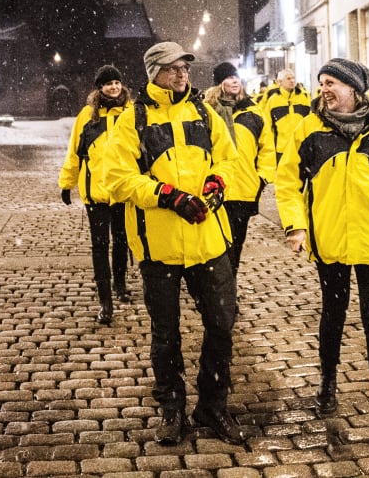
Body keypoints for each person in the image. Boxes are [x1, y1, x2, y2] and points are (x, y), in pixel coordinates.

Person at [275, 58, 369, 452]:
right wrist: (296, 225)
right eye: (322, 82)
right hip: (331, 241)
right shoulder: (310, 129)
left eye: (333, 82)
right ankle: (327, 382)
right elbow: (286, 181)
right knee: (333, 314)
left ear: (355, 89)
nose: (325, 88)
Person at [104, 42, 242, 445]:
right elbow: (118, 177)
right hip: (159, 245)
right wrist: (169, 196)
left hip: (208, 241)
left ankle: (212, 406)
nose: (181, 75)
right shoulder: (134, 119)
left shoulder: (204, 112)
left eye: (184, 68)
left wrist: (217, 182)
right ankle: (172, 408)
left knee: (221, 324)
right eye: (172, 69)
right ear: (153, 73)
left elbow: (228, 159)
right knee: (166, 334)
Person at [58, 64, 132, 325]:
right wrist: (67, 182)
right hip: (96, 193)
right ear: (99, 88)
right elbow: (75, 153)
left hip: (124, 192)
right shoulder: (87, 116)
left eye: (117, 82)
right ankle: (105, 300)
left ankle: (120, 285)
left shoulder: (131, 114)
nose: (114, 87)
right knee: (100, 247)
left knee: (123, 241)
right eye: (108, 83)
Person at [204, 61, 276, 283]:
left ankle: (229, 289)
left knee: (236, 244)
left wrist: (261, 178)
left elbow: (267, 148)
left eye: (236, 77)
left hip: (244, 189)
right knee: (217, 245)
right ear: (219, 84)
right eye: (228, 77)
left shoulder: (253, 111)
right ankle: (218, 289)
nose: (234, 81)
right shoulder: (208, 112)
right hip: (215, 189)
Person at [262, 68, 311, 163]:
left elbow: (310, 121)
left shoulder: (304, 97)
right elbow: (268, 127)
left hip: (301, 147)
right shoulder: (273, 100)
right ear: (280, 82)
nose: (292, 81)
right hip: (281, 150)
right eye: (288, 78)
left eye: (293, 78)